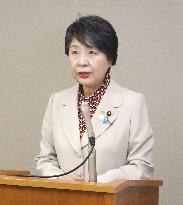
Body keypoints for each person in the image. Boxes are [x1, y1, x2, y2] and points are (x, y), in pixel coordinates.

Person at [35, 15, 154, 183]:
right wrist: (60, 179)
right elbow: (45, 159)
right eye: (75, 52)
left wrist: (98, 182)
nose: (81, 62)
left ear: (110, 59)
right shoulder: (57, 101)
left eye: (92, 52)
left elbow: (142, 166)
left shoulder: (132, 103)